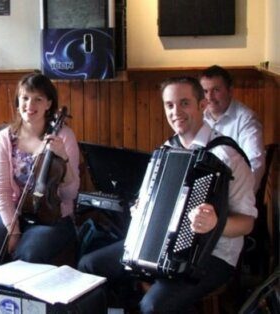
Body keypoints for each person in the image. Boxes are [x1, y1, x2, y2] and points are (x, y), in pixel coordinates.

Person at [78, 76, 257, 313]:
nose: (176, 112)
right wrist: (140, 210)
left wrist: (216, 223)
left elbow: (247, 224)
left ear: (202, 105)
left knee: (153, 306)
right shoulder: (165, 151)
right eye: (169, 105)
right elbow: (148, 202)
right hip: (156, 246)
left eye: (184, 103)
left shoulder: (228, 156)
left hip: (213, 255)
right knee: (88, 267)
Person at [0, 72, 80, 272]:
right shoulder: (3, 139)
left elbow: (69, 195)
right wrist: (13, 231)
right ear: (17, 102)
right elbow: (2, 190)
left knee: (27, 257)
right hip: (14, 210)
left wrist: (63, 158)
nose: (30, 105)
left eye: (38, 99)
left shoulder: (64, 137)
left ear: (49, 104)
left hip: (52, 216)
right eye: (25, 98)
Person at [199, 65, 265, 192]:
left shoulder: (246, 119)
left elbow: (255, 163)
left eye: (216, 90)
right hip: (203, 188)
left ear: (230, 91)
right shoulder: (197, 116)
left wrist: (241, 197)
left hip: (234, 190)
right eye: (205, 91)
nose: (210, 97)